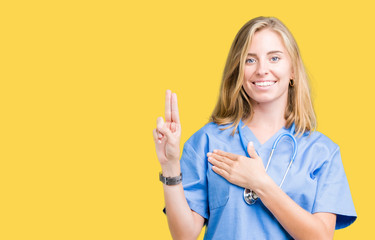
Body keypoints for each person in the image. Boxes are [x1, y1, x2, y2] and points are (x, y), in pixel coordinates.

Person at [153, 16, 356, 240]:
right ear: (238, 71)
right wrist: (170, 165)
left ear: (292, 70)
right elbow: (184, 236)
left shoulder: (322, 151)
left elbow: (321, 237)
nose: (262, 70)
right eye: (250, 60)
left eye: (274, 58)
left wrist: (260, 183)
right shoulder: (207, 141)